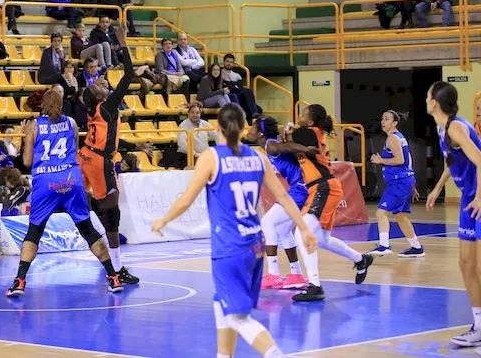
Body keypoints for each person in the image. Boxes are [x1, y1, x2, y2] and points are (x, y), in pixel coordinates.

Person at [151, 103, 317, 358]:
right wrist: (304, 228)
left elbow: (185, 201)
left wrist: (163, 221)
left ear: (217, 127)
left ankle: (275, 354)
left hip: (229, 247)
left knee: (237, 318)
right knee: (222, 306)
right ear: (243, 128)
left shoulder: (211, 157)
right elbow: (283, 196)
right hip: (256, 247)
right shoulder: (258, 157)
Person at [6, 87, 124, 297]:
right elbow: (74, 151)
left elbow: (27, 161)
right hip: (71, 179)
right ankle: (113, 277)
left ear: (42, 105)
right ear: (61, 104)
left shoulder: (34, 126)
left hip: (46, 182)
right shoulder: (71, 122)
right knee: (88, 230)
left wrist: (25, 136)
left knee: (34, 232)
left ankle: (20, 281)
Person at [289, 104, 374, 302]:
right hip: (323, 188)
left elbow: (291, 137)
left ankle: (315, 285)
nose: (299, 117)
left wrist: (287, 130)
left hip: (323, 188)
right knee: (322, 239)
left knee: (302, 233)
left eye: (303, 115)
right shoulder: (310, 134)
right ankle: (361, 259)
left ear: (310, 121)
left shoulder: (310, 132)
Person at [78, 22, 139, 285]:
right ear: (99, 96)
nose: (103, 84)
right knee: (112, 214)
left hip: (86, 155)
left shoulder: (96, 110)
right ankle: (115, 267)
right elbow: (129, 76)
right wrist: (123, 44)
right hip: (98, 162)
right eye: (100, 85)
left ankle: (95, 215)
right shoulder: (108, 105)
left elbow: (110, 138)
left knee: (103, 208)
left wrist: (134, 147)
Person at [425, 81, 481, 348]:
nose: (426, 99)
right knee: (466, 264)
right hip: (469, 199)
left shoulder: (456, 127)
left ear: (435, 102)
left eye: (428, 96)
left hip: (477, 198)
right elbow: (454, 161)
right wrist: (438, 187)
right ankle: (479, 326)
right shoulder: (444, 128)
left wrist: (480, 196)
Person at [248, 116, 308, 291]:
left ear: (260, 133)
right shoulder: (270, 145)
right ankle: (296, 275)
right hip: (299, 188)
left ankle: (273, 275)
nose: (249, 130)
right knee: (282, 229)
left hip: (300, 189)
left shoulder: (271, 145)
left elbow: (286, 147)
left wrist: (306, 149)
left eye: (253, 127)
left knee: (267, 222)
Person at [366, 110, 424, 258]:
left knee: (381, 212)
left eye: (386, 119)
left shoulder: (393, 138)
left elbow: (400, 160)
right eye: (382, 118)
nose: (383, 121)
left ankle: (384, 246)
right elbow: (408, 161)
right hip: (405, 181)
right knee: (401, 216)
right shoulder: (399, 137)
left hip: (399, 183)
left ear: (395, 123)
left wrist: (381, 160)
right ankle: (416, 247)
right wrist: (412, 184)